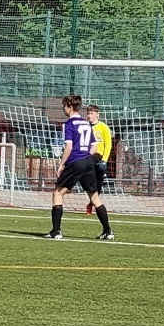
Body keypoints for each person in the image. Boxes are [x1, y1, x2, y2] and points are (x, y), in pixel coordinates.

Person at [47, 94, 113, 241]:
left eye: (64, 106)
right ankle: (108, 231)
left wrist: (62, 164)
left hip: (75, 161)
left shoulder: (69, 124)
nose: (63, 109)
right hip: (88, 161)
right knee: (94, 197)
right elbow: (94, 147)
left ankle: (56, 231)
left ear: (70, 107)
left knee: (58, 193)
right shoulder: (87, 124)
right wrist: (85, 158)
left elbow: (69, 147)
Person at [85, 104, 113, 216]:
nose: (89, 116)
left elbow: (108, 145)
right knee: (89, 182)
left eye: (92, 113)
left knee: (98, 184)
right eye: (88, 113)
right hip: (89, 157)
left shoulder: (104, 127)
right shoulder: (85, 127)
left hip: (100, 158)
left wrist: (105, 160)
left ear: (97, 114)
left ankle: (92, 203)